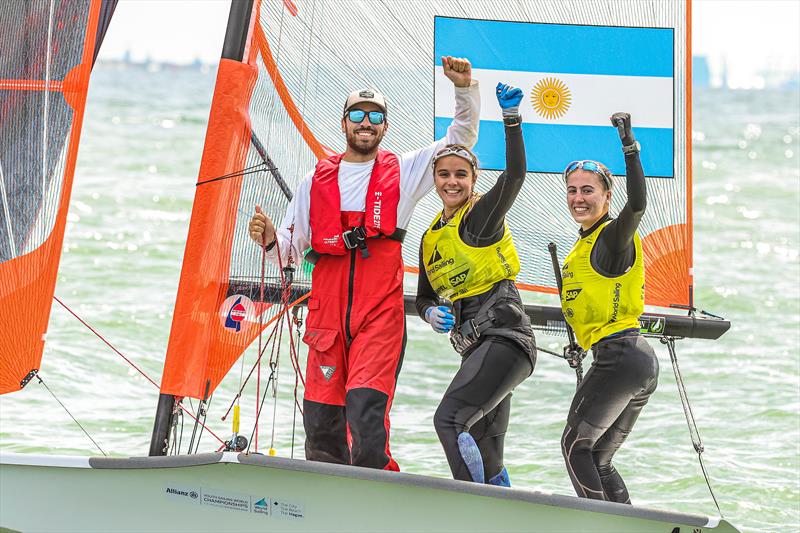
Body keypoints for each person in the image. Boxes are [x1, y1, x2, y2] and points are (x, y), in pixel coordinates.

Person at [247, 57, 480, 471]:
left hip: (378, 318)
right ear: (344, 123)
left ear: (385, 126)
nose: (366, 122)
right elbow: (288, 249)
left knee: (366, 418)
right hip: (325, 321)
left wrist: (463, 89)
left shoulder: (405, 173)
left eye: (376, 116)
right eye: (358, 114)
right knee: (321, 427)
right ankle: (323, 506)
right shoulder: (312, 182)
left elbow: (460, 138)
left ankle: (378, 500)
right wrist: (268, 238)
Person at [415, 83, 535, 486]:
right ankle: (504, 513)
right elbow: (423, 297)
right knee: (484, 447)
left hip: (506, 340)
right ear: (434, 178)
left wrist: (511, 120)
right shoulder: (431, 235)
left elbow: (516, 175)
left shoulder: (479, 217)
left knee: (449, 420)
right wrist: (431, 312)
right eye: (444, 174)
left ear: (472, 179)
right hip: (477, 349)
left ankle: (472, 513)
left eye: (461, 175)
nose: (452, 182)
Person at [558, 113, 659, 503]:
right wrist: (581, 341)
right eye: (572, 190)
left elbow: (637, 205)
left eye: (588, 190)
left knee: (573, 446)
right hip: (633, 360)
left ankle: (598, 525)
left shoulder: (612, 236)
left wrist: (628, 145)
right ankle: (627, 523)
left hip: (620, 358)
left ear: (606, 197)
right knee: (598, 458)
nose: (579, 198)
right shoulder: (582, 245)